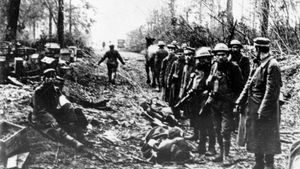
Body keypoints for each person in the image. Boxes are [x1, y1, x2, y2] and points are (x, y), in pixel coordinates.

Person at [234, 37, 282, 169]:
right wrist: (240, 100)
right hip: (254, 106)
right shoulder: (257, 63)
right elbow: (248, 84)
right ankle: (259, 163)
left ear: (259, 49)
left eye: (255, 48)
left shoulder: (272, 65)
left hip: (267, 108)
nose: (253, 51)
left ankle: (269, 164)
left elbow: (271, 91)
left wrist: (263, 110)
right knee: (255, 135)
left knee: (268, 136)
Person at [31, 68, 88, 150]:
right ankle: (72, 141)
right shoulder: (38, 91)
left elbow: (63, 101)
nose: (51, 79)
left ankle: (77, 131)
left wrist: (69, 110)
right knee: (55, 127)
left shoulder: (55, 89)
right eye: (48, 77)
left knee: (76, 111)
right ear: (43, 79)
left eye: (53, 77)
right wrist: (52, 120)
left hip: (52, 112)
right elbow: (40, 110)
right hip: (41, 116)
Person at [206, 43, 243, 165]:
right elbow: (209, 83)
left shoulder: (234, 68)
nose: (220, 57)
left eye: (223, 55)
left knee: (225, 130)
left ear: (227, 55)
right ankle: (221, 153)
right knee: (216, 128)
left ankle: (226, 156)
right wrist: (210, 81)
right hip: (215, 102)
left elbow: (239, 87)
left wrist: (236, 103)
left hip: (227, 103)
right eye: (218, 55)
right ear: (215, 56)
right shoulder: (214, 66)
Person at [176, 47, 216, 156]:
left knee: (210, 125)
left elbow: (215, 86)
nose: (202, 61)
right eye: (200, 59)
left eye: (204, 59)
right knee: (200, 124)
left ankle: (212, 148)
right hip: (197, 99)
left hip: (208, 100)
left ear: (209, 59)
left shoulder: (213, 70)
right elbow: (195, 84)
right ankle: (201, 147)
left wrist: (208, 92)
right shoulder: (198, 70)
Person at [167, 49, 185, 119]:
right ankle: (174, 113)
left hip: (180, 84)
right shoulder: (175, 62)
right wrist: (169, 82)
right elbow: (170, 73)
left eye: (181, 54)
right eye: (178, 54)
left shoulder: (185, 63)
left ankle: (179, 115)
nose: (179, 55)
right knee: (172, 99)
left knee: (179, 99)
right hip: (174, 83)